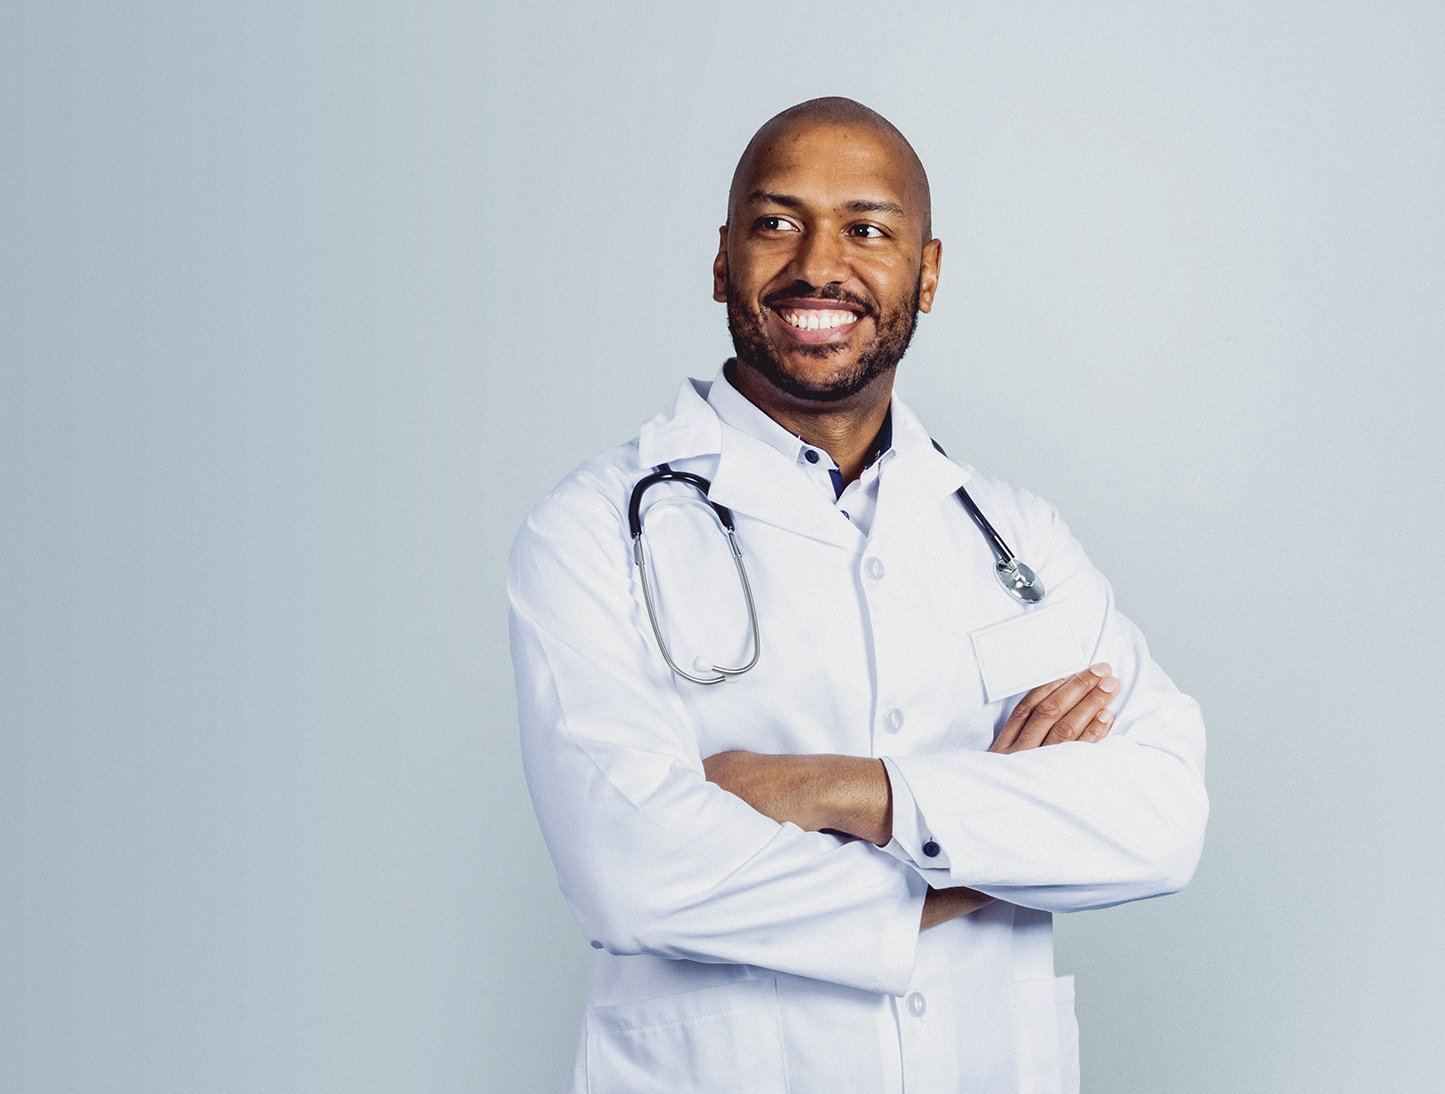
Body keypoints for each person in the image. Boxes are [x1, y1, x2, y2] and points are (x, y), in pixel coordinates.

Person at [506, 97, 1208, 1094]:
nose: (818, 266)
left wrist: (843, 788)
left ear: (925, 273)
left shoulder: (1017, 537)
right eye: (776, 222)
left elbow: (1161, 815)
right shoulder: (587, 530)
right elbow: (633, 874)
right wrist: (994, 835)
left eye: (867, 229)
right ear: (722, 260)